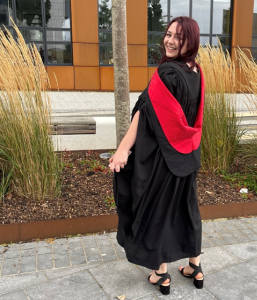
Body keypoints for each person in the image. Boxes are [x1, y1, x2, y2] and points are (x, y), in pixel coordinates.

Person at [109, 16, 205, 295]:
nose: (170, 40)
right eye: (168, 34)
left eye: (179, 36)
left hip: (164, 158)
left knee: (157, 211)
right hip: (187, 155)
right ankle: (194, 267)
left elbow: (143, 113)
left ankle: (161, 274)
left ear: (191, 40)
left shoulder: (167, 73)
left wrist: (123, 149)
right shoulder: (196, 71)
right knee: (188, 210)